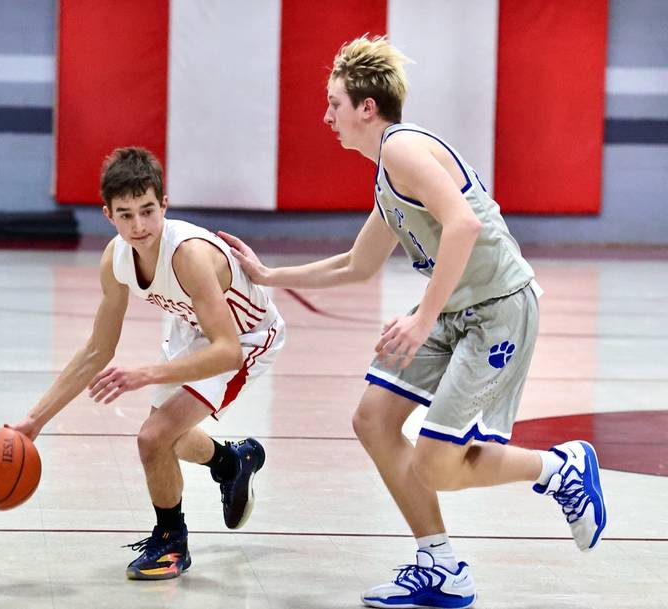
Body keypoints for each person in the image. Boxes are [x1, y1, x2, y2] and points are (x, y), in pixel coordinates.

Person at [218, 35, 606, 609]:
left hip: (498, 311)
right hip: (454, 309)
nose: (326, 116)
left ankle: (560, 467)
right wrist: (269, 276)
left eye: (334, 104)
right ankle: (440, 564)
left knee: (438, 465)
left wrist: (422, 320)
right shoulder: (388, 171)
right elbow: (358, 264)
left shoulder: (402, 149)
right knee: (374, 420)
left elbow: (463, 226)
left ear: (366, 107)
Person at [8, 146, 285, 581]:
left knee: (153, 438)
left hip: (245, 337)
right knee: (167, 440)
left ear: (164, 205)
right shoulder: (115, 260)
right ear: (107, 214)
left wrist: (144, 374)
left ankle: (172, 542)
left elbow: (227, 350)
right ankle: (232, 463)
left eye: (147, 210)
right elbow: (98, 350)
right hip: (191, 329)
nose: (138, 226)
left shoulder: (188, 254)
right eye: (125, 214)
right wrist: (34, 420)